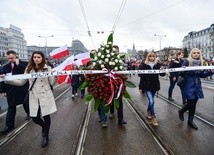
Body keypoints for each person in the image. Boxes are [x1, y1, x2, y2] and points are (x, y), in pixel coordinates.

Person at [4, 51, 57, 147]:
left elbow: (52, 83)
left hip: (45, 95)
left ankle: (45, 135)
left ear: (42, 58)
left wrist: (54, 74)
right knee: (34, 117)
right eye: (34, 57)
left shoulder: (47, 68)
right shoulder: (29, 69)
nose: (36, 59)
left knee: (46, 116)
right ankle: (44, 128)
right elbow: (21, 82)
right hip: (33, 95)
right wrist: (7, 79)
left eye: (38, 57)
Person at [178, 48, 214, 130]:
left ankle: (188, 118)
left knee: (193, 104)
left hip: (197, 85)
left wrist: (211, 71)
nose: (196, 54)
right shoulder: (187, 61)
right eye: (194, 53)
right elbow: (181, 72)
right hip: (188, 84)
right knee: (191, 103)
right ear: (191, 54)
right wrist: (183, 70)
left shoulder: (201, 63)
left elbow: (201, 75)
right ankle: (185, 114)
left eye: (198, 53)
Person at [0, 50, 30, 135]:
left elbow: (27, 72)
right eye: (8, 58)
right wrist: (2, 90)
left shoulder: (24, 63)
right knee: (11, 107)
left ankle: (29, 114)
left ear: (16, 56)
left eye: (12, 58)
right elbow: (3, 79)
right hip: (11, 90)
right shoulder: (5, 67)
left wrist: (18, 64)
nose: (10, 59)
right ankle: (9, 125)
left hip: (22, 88)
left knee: (25, 103)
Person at [138, 52, 165, 126]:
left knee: (151, 101)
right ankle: (153, 117)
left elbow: (162, 74)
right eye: (150, 56)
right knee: (151, 101)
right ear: (148, 57)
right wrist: (140, 87)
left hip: (154, 86)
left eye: (153, 56)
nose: (152, 58)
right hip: (146, 85)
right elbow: (141, 76)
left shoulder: (157, 64)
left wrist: (162, 70)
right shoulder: (144, 64)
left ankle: (148, 111)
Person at [108, 45, 127, 125]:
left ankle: (120, 119)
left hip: (119, 82)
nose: (115, 52)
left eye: (116, 51)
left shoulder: (120, 60)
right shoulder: (107, 60)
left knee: (120, 100)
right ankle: (112, 112)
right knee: (111, 98)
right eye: (114, 51)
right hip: (110, 82)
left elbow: (124, 69)